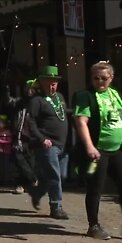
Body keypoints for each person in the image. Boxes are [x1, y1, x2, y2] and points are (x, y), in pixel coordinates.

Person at [73, 61, 122, 240]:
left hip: (118, 150)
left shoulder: (115, 94)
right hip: (98, 151)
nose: (100, 82)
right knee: (96, 188)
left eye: (104, 78)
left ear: (111, 78)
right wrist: (89, 146)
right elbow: (81, 122)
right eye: (96, 78)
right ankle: (93, 226)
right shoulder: (85, 96)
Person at [27, 66, 69, 220]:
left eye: (55, 82)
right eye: (50, 82)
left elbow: (64, 115)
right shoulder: (37, 100)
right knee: (55, 176)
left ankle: (37, 192)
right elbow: (30, 122)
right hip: (48, 145)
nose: (53, 85)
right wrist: (41, 139)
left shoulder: (60, 97)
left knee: (60, 176)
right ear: (43, 82)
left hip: (62, 144)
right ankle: (56, 206)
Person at [3, 80, 39, 194]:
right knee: (20, 161)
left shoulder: (37, 103)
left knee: (30, 163)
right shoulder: (19, 102)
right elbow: (9, 101)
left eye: (31, 89)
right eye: (27, 88)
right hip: (19, 137)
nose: (29, 91)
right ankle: (32, 180)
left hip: (31, 138)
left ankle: (24, 185)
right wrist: (6, 90)